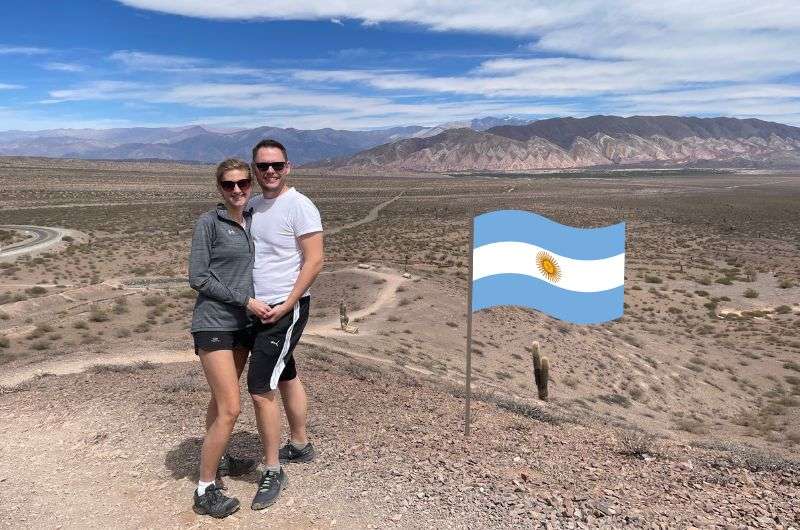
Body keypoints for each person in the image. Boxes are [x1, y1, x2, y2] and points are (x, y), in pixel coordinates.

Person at [187, 158, 271, 518]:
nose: (237, 190)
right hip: (214, 324)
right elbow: (198, 277)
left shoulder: (252, 219)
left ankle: (219, 458)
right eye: (228, 185)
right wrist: (246, 300)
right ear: (219, 188)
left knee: (220, 400)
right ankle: (205, 488)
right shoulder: (209, 222)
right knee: (231, 408)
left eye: (242, 183)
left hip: (242, 326)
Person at [246, 139, 324, 511]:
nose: (270, 171)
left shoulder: (300, 205)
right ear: (255, 169)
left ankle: (274, 468)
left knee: (260, 387)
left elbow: (315, 260)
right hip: (258, 308)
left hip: (284, 308)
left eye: (276, 164)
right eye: (263, 166)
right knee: (286, 373)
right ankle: (299, 444)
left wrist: (288, 305)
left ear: (288, 166)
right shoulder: (254, 205)